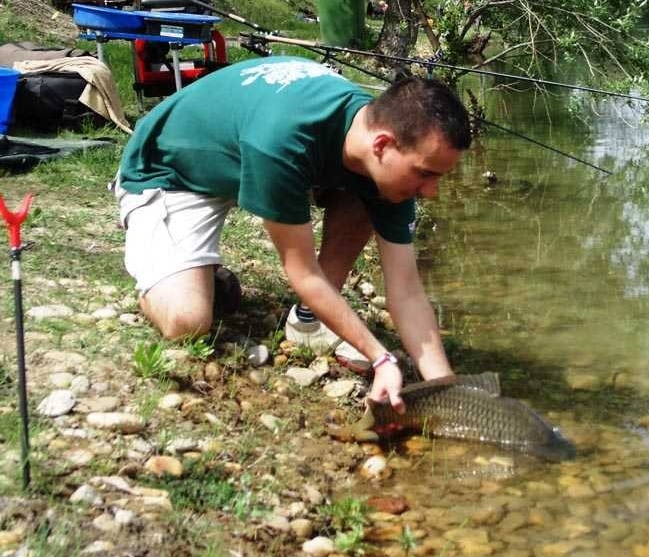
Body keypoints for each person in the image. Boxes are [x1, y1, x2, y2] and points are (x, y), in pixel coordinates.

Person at [116, 55, 472, 411]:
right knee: (186, 322)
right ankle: (169, 271)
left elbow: (407, 291)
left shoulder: (380, 147)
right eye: (426, 174)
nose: (431, 192)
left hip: (249, 149)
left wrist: (445, 391)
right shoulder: (284, 140)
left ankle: (310, 318)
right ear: (382, 145)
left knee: (373, 190)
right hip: (171, 172)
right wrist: (380, 358)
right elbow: (301, 273)